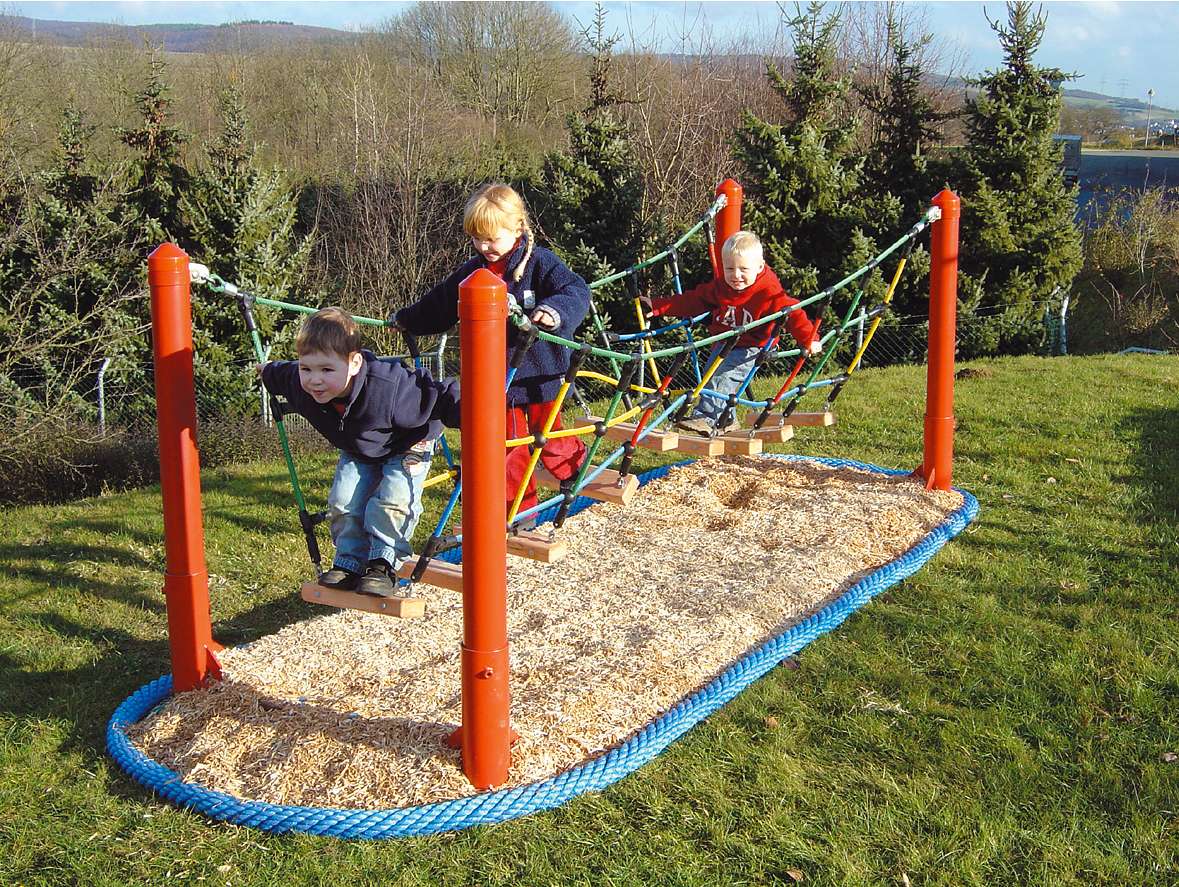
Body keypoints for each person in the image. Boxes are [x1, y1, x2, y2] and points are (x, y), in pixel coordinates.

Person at [392, 183, 592, 521]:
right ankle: (519, 513)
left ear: (517, 228)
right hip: (500, 380)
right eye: (476, 239)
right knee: (508, 449)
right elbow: (441, 302)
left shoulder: (540, 263)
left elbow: (575, 290)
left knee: (552, 439)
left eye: (492, 238)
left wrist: (553, 311)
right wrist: (406, 319)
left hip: (541, 374)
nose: (484, 247)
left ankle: (574, 469)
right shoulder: (475, 272)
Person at [260, 307, 461, 597]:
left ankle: (383, 564)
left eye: (327, 370)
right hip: (360, 446)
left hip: (409, 440)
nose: (315, 379)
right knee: (342, 501)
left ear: (354, 363)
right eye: (307, 368)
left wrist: (472, 408)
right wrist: (265, 371)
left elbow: (439, 395)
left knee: (394, 499)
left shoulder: (389, 385)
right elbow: (279, 373)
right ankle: (350, 561)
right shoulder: (301, 384)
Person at [648, 230, 822, 435]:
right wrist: (657, 306)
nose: (736, 275)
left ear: (759, 266)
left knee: (723, 376)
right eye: (729, 268)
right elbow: (692, 300)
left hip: (754, 345)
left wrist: (809, 339)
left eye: (743, 269)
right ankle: (727, 420)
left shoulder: (768, 291)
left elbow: (792, 312)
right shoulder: (721, 286)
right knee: (710, 374)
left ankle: (708, 417)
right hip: (726, 342)